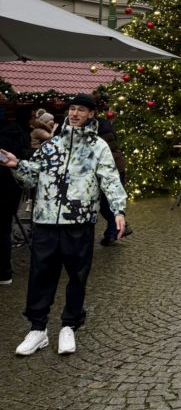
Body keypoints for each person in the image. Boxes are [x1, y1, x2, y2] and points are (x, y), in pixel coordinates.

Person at [1, 93, 126, 356]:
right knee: (40, 275)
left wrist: (118, 210)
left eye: (81, 109)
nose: (75, 113)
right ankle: (38, 329)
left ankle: (69, 325)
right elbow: (33, 176)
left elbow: (110, 179)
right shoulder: (52, 144)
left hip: (78, 221)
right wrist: (16, 165)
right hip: (45, 219)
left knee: (77, 276)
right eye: (72, 109)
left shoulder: (98, 146)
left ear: (91, 114)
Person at [0, 107, 30, 287]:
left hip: (3, 187)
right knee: (4, 230)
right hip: (12, 189)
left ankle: (3, 272)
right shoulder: (17, 131)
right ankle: (4, 273)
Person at [97, 114, 129, 245]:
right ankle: (117, 227)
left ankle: (113, 232)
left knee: (105, 203)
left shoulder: (99, 131)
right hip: (117, 165)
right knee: (105, 203)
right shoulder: (104, 123)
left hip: (113, 167)